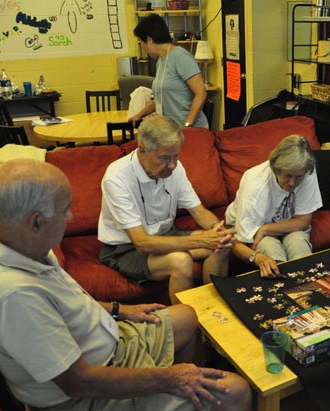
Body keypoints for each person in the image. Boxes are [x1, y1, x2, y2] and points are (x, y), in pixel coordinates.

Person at [0, 159, 251, 411]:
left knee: (186, 315)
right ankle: (183, 405)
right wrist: (170, 378)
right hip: (86, 403)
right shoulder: (14, 296)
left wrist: (120, 310)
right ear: (36, 222)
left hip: (109, 345)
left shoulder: (9, 243)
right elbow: (80, 382)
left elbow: (67, 300)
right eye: (64, 210)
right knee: (235, 393)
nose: (71, 217)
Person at [98, 115, 234, 304]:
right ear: (142, 150)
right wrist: (202, 239)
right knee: (180, 261)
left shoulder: (175, 169)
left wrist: (216, 230)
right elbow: (142, 242)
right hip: (125, 249)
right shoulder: (117, 178)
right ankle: (186, 325)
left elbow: (198, 210)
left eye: (176, 156)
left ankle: (215, 312)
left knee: (221, 245)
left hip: (165, 235)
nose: (172, 164)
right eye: (164, 158)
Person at [226, 135, 322, 277]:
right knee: (274, 261)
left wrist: (266, 229)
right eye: (287, 176)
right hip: (251, 229)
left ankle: (311, 291)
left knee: (300, 247)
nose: (292, 183)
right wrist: (257, 257)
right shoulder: (254, 185)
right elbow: (237, 243)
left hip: (279, 226)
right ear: (276, 168)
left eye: (298, 177)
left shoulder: (306, 170)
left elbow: (303, 220)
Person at [129, 13, 209, 128]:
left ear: (149, 40)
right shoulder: (161, 60)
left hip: (190, 130)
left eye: (141, 42)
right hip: (171, 131)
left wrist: (188, 124)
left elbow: (201, 93)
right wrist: (139, 114)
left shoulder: (180, 57)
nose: (141, 46)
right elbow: (160, 99)